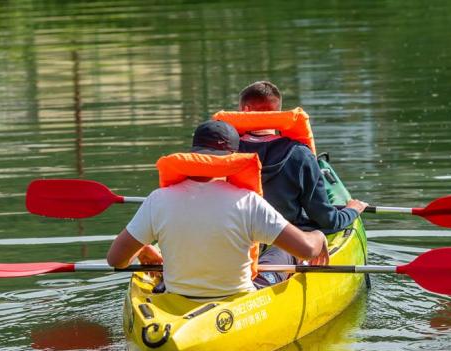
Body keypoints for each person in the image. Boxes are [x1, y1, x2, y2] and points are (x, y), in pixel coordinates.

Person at [107, 120, 329, 299]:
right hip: (238, 302)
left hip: (177, 299)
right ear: (233, 158)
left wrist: (143, 249)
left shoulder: (158, 199)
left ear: (193, 153)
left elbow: (116, 260)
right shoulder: (248, 201)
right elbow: (306, 250)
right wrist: (318, 236)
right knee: (284, 250)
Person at [236, 80, 368, 234]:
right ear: (278, 113)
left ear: (245, 110)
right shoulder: (299, 154)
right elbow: (327, 220)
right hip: (286, 238)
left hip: (237, 235)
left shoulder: (225, 152)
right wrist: (352, 210)